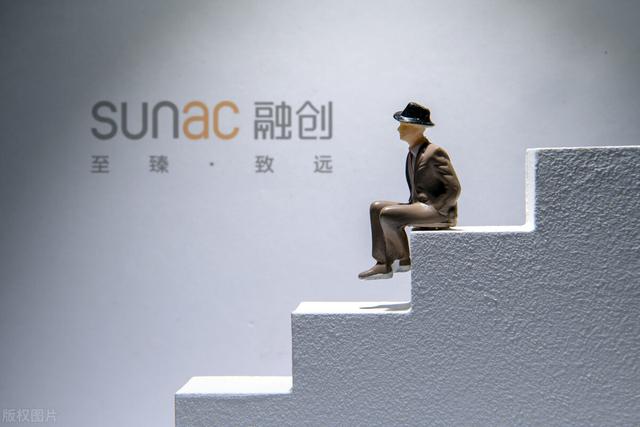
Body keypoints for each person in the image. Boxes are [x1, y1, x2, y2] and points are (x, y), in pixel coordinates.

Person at [358, 102, 461, 280]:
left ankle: (402, 259)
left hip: (435, 209)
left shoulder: (434, 152)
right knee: (376, 207)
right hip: (419, 204)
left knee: (388, 215)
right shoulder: (413, 153)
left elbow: (454, 188)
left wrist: (439, 210)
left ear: (417, 128)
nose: (399, 129)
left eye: (404, 125)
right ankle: (383, 263)